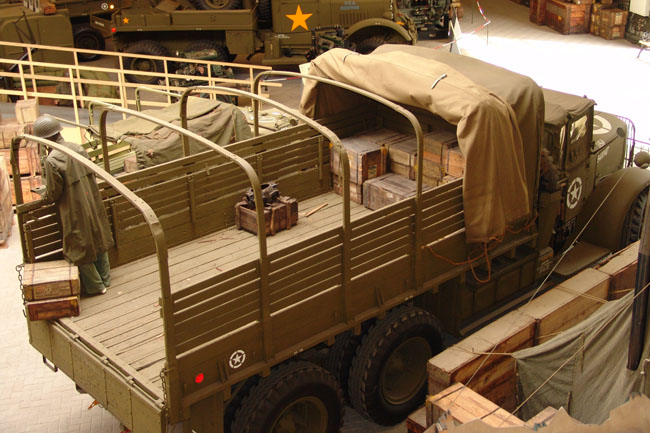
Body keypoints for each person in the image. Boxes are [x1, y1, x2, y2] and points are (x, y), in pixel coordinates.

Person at [34, 115, 114, 296]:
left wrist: (43, 196)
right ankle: (106, 279)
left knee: (78, 246)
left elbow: (53, 193)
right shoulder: (77, 147)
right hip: (91, 201)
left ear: (45, 139)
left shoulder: (52, 160)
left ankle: (96, 287)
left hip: (73, 208)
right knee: (98, 237)